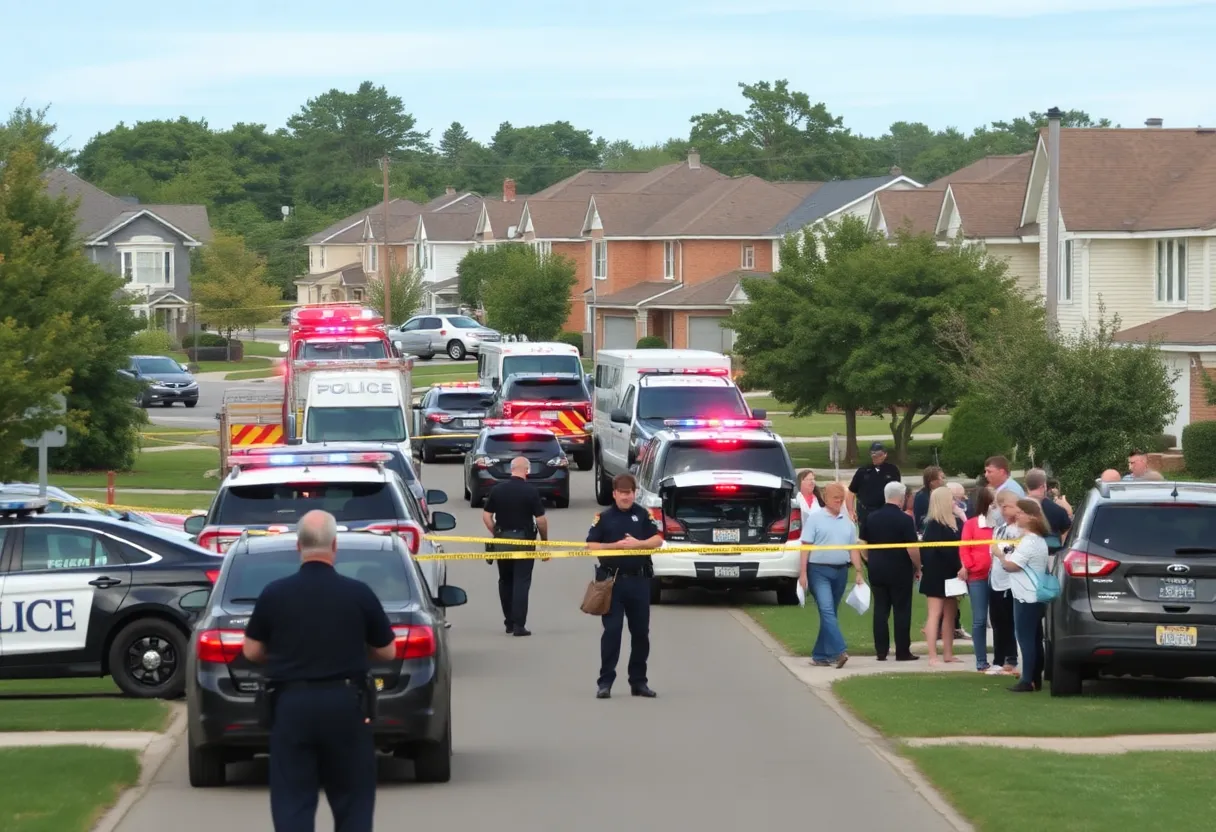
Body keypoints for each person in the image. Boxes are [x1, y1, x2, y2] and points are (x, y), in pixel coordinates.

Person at [241, 510, 395, 832]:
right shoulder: (358, 593)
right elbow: (387, 650)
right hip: (346, 702)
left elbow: (251, 650)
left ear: (298, 546)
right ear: (335, 545)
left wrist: (284, 655)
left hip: (291, 704)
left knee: (293, 800)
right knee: (353, 799)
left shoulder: (274, 593)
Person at [586, 473, 664, 699]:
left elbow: (658, 540)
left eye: (629, 493)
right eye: (621, 493)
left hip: (639, 582)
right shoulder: (604, 517)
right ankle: (605, 682)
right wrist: (615, 546)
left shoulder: (643, 515)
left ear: (634, 493)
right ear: (614, 494)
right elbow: (590, 546)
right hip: (612, 583)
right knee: (612, 632)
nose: (626, 497)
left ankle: (639, 682)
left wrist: (639, 544)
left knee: (641, 634)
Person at [799, 482, 866, 668]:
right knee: (827, 610)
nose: (839, 502)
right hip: (818, 571)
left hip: (841, 571)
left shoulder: (847, 522)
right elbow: (805, 547)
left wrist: (859, 571)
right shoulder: (815, 518)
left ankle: (820, 655)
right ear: (826, 498)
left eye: (841, 499)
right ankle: (840, 651)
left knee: (830, 613)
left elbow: (853, 549)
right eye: (836, 499)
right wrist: (803, 573)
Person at [483, 456, 550, 637]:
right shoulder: (530, 492)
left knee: (505, 581)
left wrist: (495, 533)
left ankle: (509, 623)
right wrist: (544, 542)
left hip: (502, 541)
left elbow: (487, 516)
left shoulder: (497, 490)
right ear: (527, 470)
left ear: (511, 469)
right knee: (521, 581)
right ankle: (519, 625)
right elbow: (541, 520)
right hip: (524, 542)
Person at [859, 481, 921, 662]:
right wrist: (918, 566)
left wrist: (869, 559)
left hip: (877, 569)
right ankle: (902, 651)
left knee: (880, 609)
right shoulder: (905, 520)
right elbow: (912, 548)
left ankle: (881, 651)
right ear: (901, 498)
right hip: (899, 570)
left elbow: (862, 543)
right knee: (901, 610)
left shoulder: (871, 517)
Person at [994, 499, 1052, 693]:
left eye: (1021, 512)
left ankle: (1028, 679)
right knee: (1035, 638)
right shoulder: (1037, 540)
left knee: (1026, 638)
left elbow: (1013, 566)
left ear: (1032, 517)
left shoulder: (1030, 542)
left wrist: (1000, 556)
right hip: (1034, 594)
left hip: (1026, 596)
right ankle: (1035, 678)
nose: (1017, 515)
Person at [919, 487, 964, 666]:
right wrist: (958, 565)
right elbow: (941, 552)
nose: (954, 501)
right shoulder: (934, 525)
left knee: (950, 615)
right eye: (951, 498)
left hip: (952, 575)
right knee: (935, 614)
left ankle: (948, 653)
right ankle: (932, 655)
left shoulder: (953, 523)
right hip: (937, 575)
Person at [987, 491, 1022, 676]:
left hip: (1010, 583)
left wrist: (999, 550)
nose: (1003, 510)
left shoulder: (1018, 530)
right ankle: (998, 660)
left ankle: (1010, 658)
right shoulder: (999, 529)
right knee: (997, 621)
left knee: (1008, 621)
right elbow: (991, 550)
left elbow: (1011, 550)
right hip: (996, 580)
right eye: (1002, 507)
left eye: (1007, 506)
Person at [960, 487, 996, 672]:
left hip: (999, 576)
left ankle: (1003, 657)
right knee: (980, 619)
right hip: (978, 576)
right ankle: (981, 660)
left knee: (1000, 619)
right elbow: (964, 548)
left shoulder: (999, 525)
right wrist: (971, 566)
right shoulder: (972, 524)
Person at [847, 442, 902, 528]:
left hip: (885, 512)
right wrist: (850, 511)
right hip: (866, 512)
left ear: (885, 455)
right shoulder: (863, 471)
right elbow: (851, 491)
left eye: (879, 454)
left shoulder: (893, 470)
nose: (876, 457)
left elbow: (897, 491)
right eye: (873, 454)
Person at [1024, 468, 1072, 552]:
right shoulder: (1057, 510)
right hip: (1050, 554)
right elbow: (1067, 531)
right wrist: (1069, 512)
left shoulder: (1018, 507)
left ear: (1026, 486)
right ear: (1043, 486)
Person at [983, 456, 1025, 524]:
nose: (986, 475)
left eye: (989, 472)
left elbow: (999, 520)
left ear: (1001, 472)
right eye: (985, 471)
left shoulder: (1010, 490)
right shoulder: (1005, 487)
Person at [912, 466, 944, 533]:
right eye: (942, 478)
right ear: (932, 481)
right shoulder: (922, 497)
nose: (943, 480)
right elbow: (921, 520)